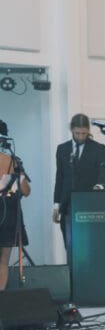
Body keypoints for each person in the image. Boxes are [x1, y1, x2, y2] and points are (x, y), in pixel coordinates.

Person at [53, 113, 105, 250]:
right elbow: (60, 177)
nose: (81, 137)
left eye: (84, 133)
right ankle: (71, 271)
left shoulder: (98, 149)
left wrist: (100, 186)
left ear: (88, 131)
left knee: (89, 246)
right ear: (71, 129)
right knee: (70, 247)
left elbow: (104, 173)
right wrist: (56, 205)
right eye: (77, 133)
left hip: (90, 204)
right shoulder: (62, 149)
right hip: (67, 205)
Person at [0, 120, 31, 291]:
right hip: (9, 215)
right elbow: (26, 191)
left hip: (6, 214)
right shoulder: (14, 161)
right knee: (3, 260)